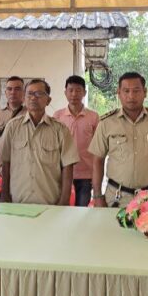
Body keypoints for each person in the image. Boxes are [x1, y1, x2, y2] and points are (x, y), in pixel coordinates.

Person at [90, 72, 148, 208]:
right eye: (126, 91)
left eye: (136, 91)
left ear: (145, 92)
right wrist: (97, 196)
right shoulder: (106, 123)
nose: (131, 96)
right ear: (118, 93)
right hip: (117, 198)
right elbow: (98, 160)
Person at [0, 79, 79, 205]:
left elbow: (68, 167)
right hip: (18, 202)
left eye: (39, 94)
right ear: (24, 98)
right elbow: (6, 162)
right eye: (29, 94)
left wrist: (64, 200)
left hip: (50, 203)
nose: (33, 98)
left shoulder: (60, 130)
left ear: (48, 100)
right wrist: (4, 195)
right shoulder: (12, 127)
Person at [52, 75, 99, 206]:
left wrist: (96, 176)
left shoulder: (93, 117)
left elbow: (98, 149)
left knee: (81, 210)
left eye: (78, 90)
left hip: (85, 175)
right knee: (61, 209)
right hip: (61, 173)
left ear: (84, 92)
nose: (74, 94)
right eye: (71, 90)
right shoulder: (57, 116)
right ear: (65, 92)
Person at [0, 76, 24, 175]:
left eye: (17, 89)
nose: (13, 92)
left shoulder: (29, 115)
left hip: (20, 172)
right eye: (9, 89)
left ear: (23, 92)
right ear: (5, 93)